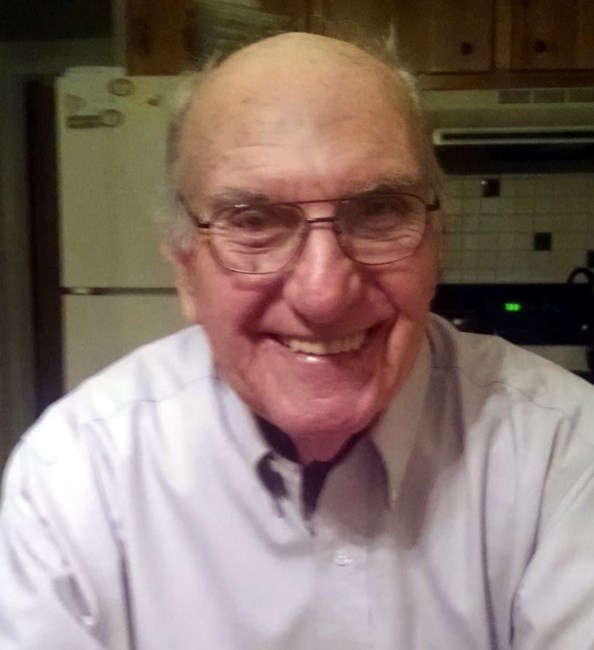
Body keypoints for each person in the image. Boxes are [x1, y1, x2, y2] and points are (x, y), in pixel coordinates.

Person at [1, 32, 594, 650]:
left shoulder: (567, 454)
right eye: (254, 221)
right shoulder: (75, 476)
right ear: (185, 271)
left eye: (378, 211)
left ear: (436, 242)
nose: (323, 295)